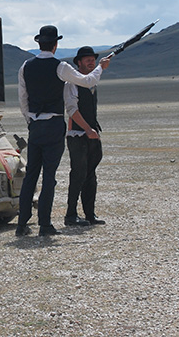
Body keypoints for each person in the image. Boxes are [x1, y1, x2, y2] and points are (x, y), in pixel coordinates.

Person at [16, 26, 110, 237]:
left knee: (31, 173)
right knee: (49, 176)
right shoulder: (60, 67)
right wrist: (101, 67)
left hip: (36, 125)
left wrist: (30, 120)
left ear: (39, 43)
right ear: (55, 45)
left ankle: (22, 224)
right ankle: (45, 224)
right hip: (54, 124)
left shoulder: (25, 66)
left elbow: (23, 98)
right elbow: (88, 81)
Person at [64, 46, 106, 227]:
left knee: (91, 175)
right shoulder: (71, 83)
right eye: (87, 59)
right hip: (77, 135)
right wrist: (88, 130)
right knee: (78, 175)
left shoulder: (91, 82)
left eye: (93, 59)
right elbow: (72, 110)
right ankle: (70, 214)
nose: (91, 62)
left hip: (91, 134)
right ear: (78, 63)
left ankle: (89, 213)